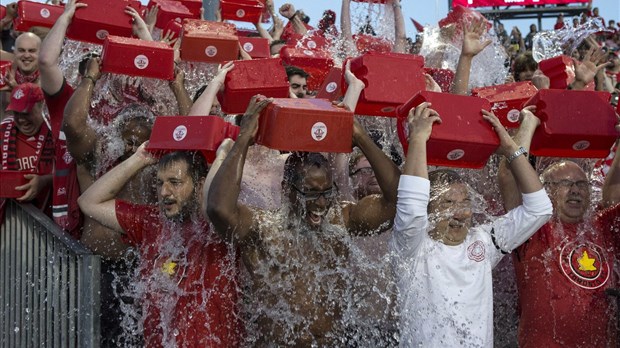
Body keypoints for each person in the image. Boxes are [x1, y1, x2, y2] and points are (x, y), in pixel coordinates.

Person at [206, 71, 400, 345]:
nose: (320, 204)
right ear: (286, 189)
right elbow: (218, 209)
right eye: (309, 193)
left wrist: (361, 137)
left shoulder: (341, 220)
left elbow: (396, 203)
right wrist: (243, 140)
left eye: (326, 193)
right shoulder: (264, 229)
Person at [391, 103, 553, 346]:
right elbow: (412, 208)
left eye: (466, 201)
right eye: (448, 203)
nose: (462, 212)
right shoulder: (411, 247)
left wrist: (510, 148)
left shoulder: (485, 242)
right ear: (428, 210)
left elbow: (540, 209)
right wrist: (418, 140)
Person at [78, 145, 241, 347]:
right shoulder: (151, 222)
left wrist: (221, 158)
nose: (164, 191)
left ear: (199, 185)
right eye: (159, 183)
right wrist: (139, 158)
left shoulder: (216, 229)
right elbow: (89, 202)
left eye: (175, 182)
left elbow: (214, 206)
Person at [498, 107, 620, 347]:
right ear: (544, 191)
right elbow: (509, 175)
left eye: (581, 184)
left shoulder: (601, 227)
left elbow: (615, 189)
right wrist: (529, 124)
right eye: (565, 183)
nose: (575, 189)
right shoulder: (532, 229)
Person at [1, 83, 54, 213]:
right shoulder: (3, 130)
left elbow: (70, 174)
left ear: (42, 106)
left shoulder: (55, 132)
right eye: (16, 113)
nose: (21, 119)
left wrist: (44, 181)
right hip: (10, 218)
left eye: (26, 113)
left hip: (48, 219)